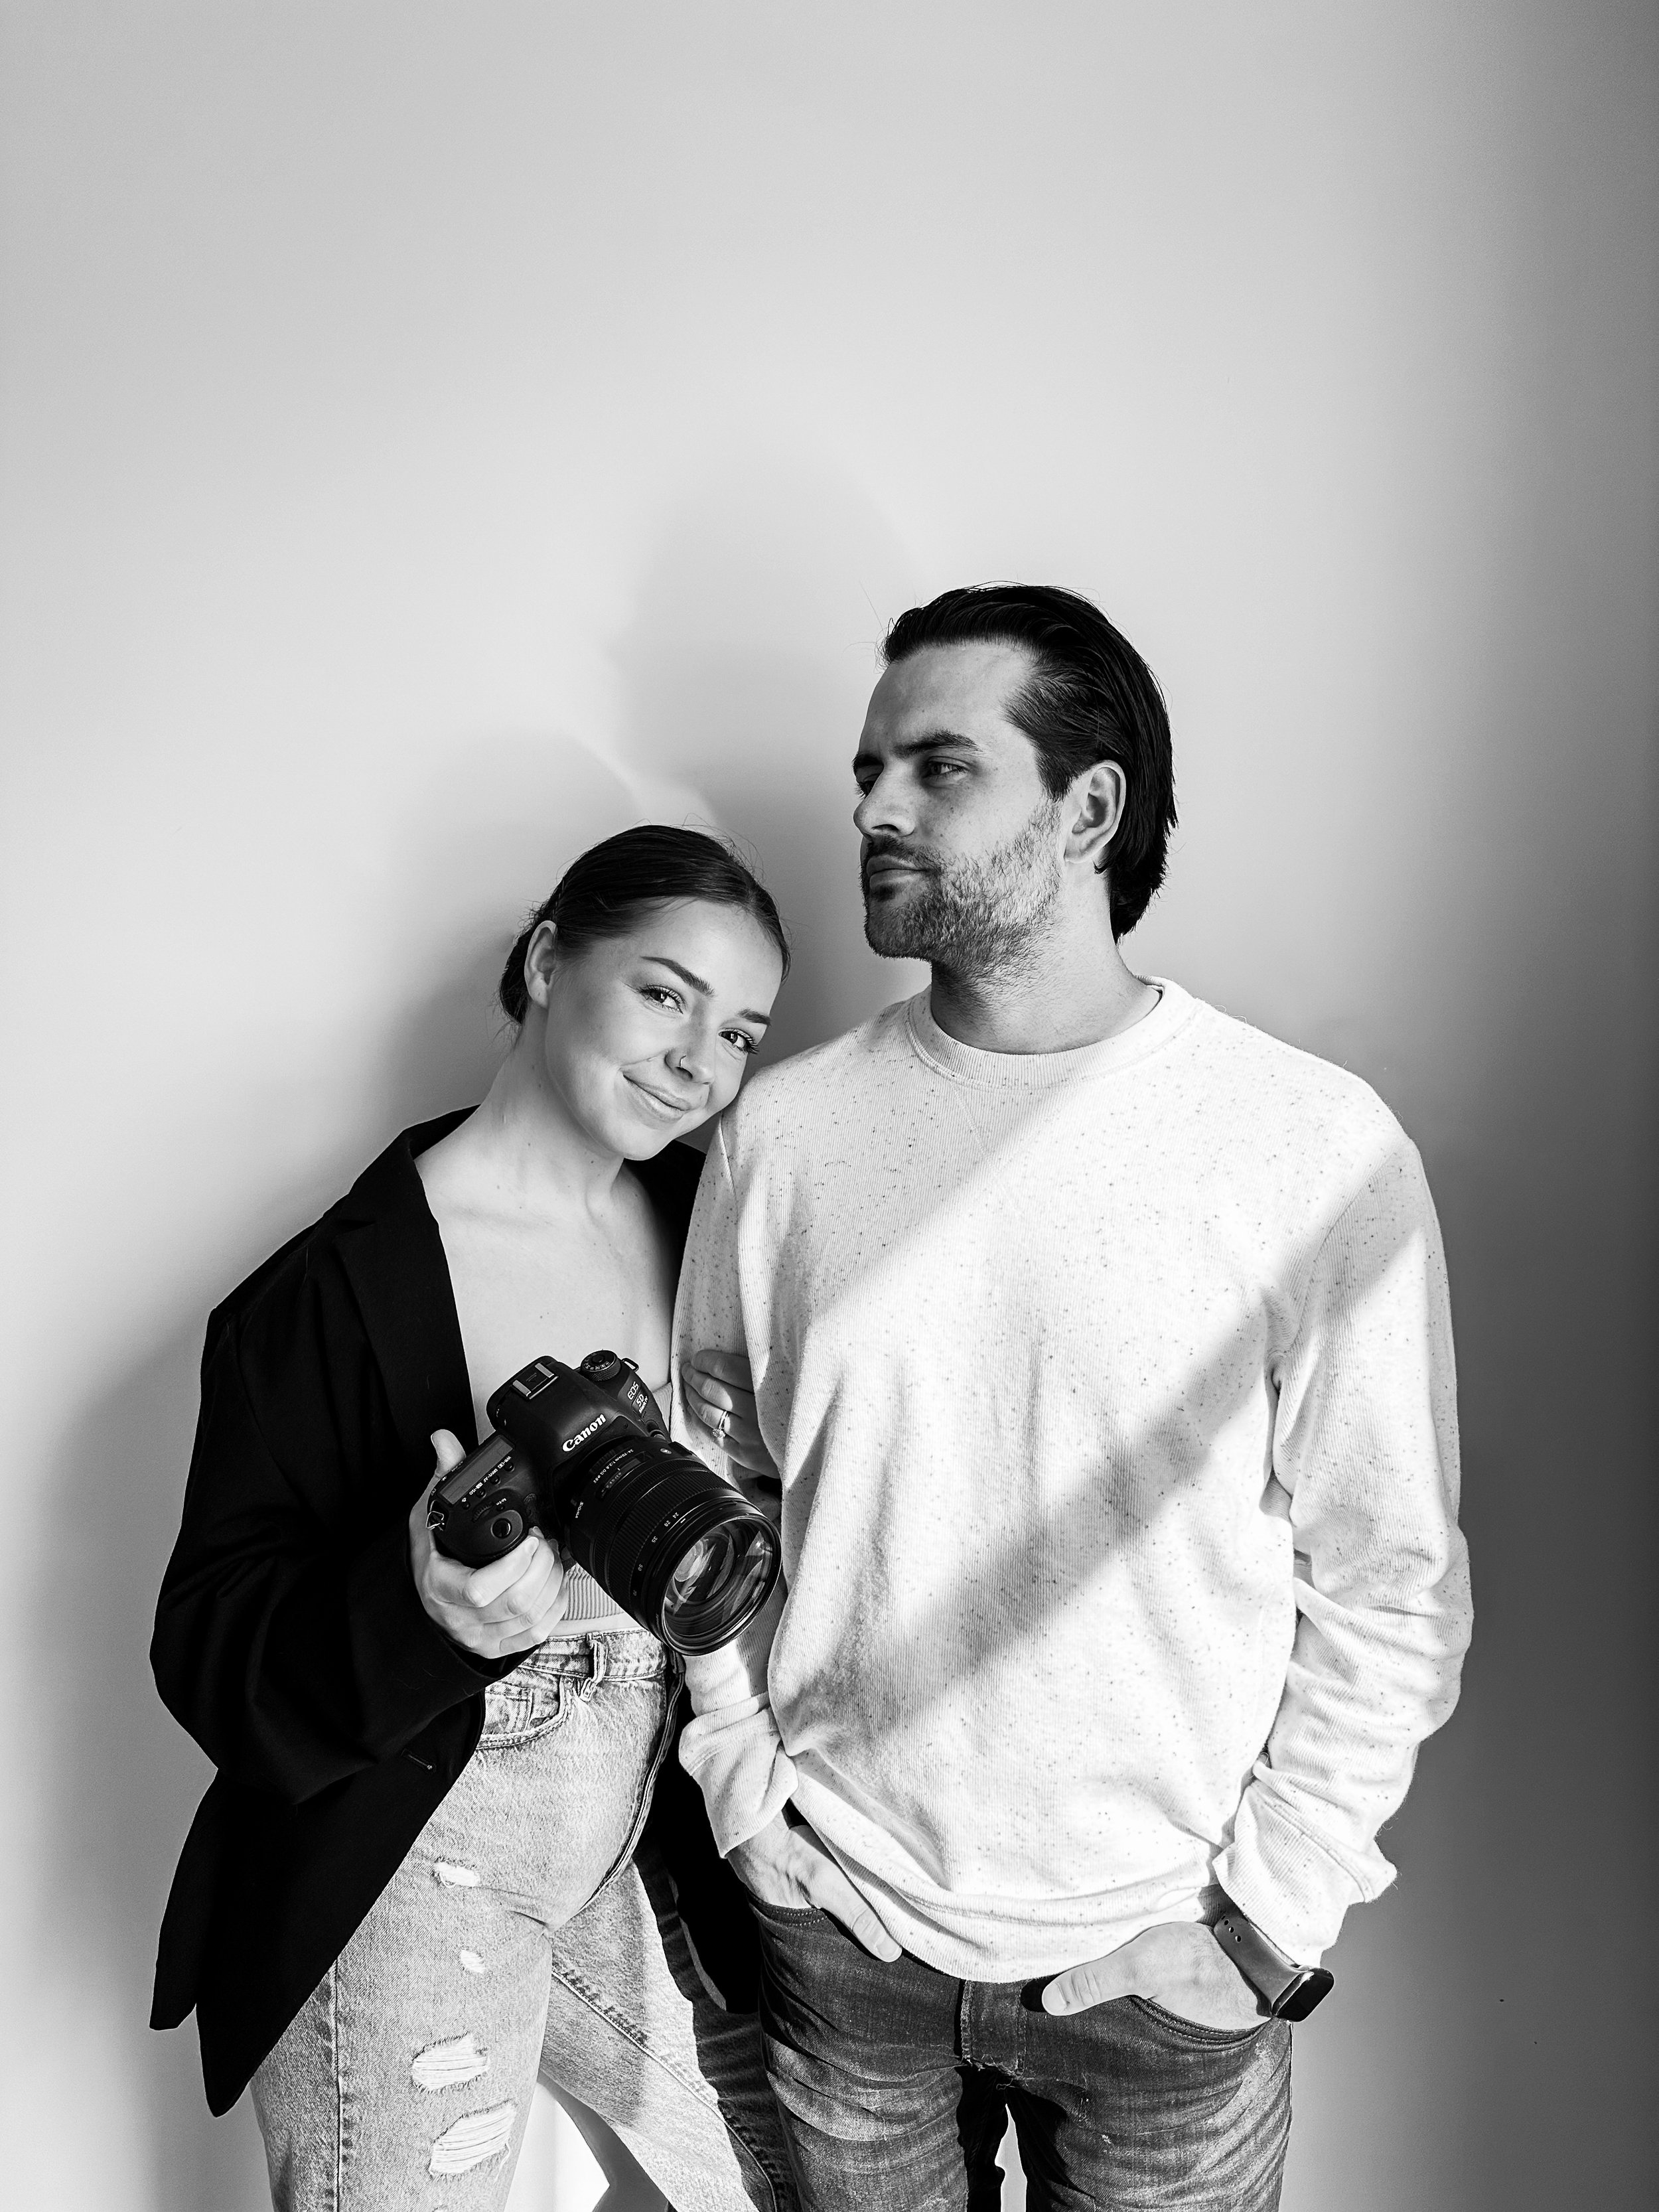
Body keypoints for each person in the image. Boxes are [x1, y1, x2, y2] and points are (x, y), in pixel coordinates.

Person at [671, 585, 1474, 2211]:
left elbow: (1390, 1574)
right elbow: (713, 1487)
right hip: (848, 1940)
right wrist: (749, 1792)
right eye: (865, 768)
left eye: (935, 767)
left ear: (1086, 806)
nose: (870, 807)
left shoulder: (1307, 1149)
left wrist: (1261, 1925)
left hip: (1161, 1970)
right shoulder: (782, 1138)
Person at [151, 826, 799, 2212]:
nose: (701, 1061)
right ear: (548, 958)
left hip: (655, 1828)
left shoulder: (719, 1225)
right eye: (665, 992)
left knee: (820, 2176)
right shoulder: (331, 1290)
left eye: (741, 1029)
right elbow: (204, 1643)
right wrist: (423, 1613)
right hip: (419, 1840)